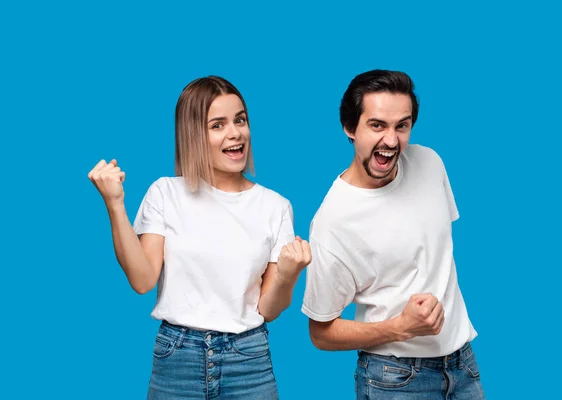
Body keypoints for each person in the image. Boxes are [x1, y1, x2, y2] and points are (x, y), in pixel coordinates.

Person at [88, 76, 311, 400]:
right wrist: (115, 204)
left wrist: (289, 275)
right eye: (217, 125)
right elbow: (142, 279)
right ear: (193, 134)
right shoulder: (165, 193)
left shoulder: (275, 207)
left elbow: (268, 308)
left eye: (240, 120)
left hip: (248, 360)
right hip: (177, 358)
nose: (235, 133)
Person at [301, 69, 484, 399]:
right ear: (349, 128)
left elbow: (433, 250)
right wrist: (400, 326)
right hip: (396, 378)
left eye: (402, 125)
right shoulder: (333, 223)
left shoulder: (430, 163)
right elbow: (321, 333)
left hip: (463, 366)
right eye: (377, 125)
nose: (391, 140)